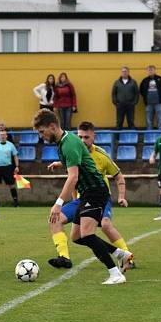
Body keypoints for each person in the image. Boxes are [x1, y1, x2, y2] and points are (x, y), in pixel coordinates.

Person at [33, 109, 127, 285]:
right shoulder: (65, 142)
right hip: (87, 193)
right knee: (77, 237)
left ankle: (116, 274)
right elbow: (81, 159)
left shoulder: (68, 143)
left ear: (52, 126)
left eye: (41, 131)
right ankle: (120, 253)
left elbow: (73, 177)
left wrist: (58, 203)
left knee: (87, 234)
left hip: (95, 191)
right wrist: (60, 163)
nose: (41, 136)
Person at [46, 121, 135, 271]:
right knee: (61, 225)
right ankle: (64, 257)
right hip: (83, 197)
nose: (83, 140)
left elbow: (119, 177)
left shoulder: (101, 155)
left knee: (104, 225)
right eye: (80, 136)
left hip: (98, 195)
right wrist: (59, 163)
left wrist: (121, 196)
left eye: (86, 137)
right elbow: (74, 163)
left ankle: (124, 260)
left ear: (94, 136)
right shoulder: (72, 147)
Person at [0, 130, 20, 207]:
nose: (2, 136)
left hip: (8, 167)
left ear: (6, 136)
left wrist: (17, 166)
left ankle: (16, 203)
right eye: (1, 135)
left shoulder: (11, 145)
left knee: (12, 185)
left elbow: (15, 156)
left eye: (4, 135)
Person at [139, 65, 161, 130]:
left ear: (155, 70)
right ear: (147, 71)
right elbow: (141, 90)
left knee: (160, 119)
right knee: (149, 120)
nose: (150, 71)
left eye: (152, 70)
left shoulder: (160, 79)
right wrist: (146, 97)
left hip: (159, 103)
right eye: (149, 70)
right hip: (148, 103)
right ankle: (149, 134)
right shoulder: (145, 80)